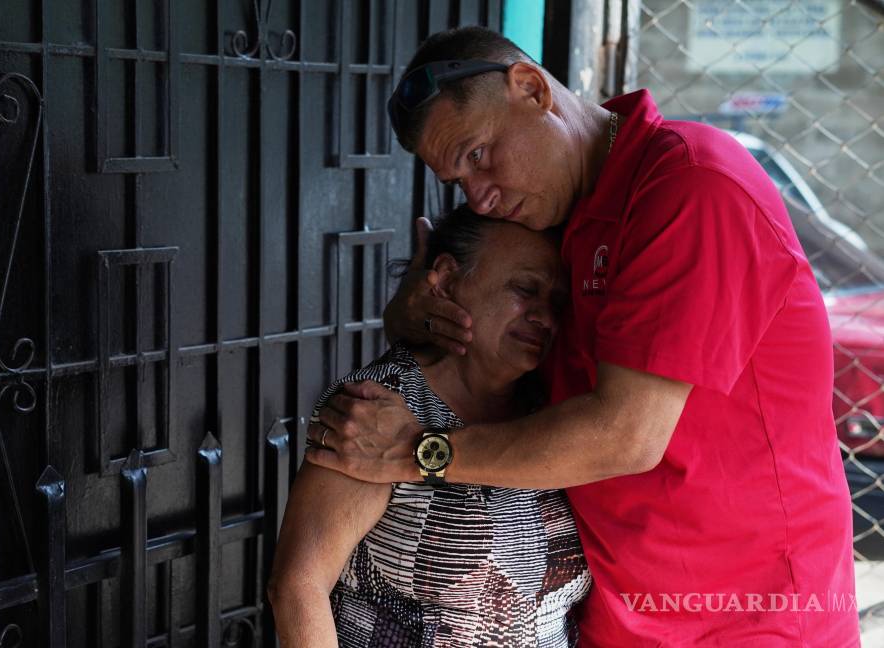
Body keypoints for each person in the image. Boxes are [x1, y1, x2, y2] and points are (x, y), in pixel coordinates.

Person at [304, 26, 860, 646]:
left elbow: (626, 435)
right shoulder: (560, 219)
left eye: (480, 156)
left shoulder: (691, 186)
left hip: (749, 616)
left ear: (531, 88)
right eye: (459, 183)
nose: (480, 198)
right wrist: (419, 312)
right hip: (615, 612)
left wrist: (417, 450)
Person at [268, 207, 591, 647]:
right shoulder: (376, 408)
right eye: (524, 289)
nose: (545, 318)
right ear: (447, 278)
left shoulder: (555, 408)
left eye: (556, 303)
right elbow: (297, 588)